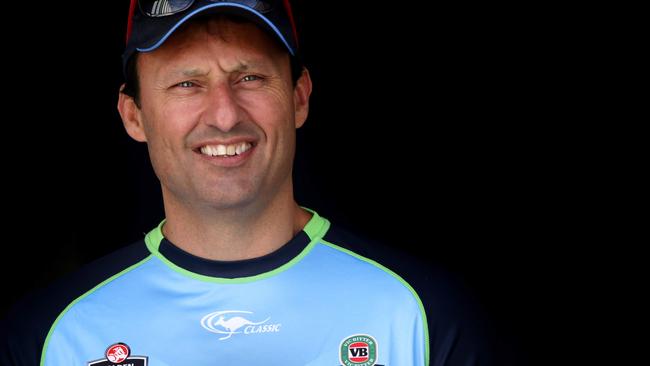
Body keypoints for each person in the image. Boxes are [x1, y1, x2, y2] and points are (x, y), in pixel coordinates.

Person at [0, 1, 497, 365]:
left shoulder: (426, 314)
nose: (223, 114)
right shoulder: (52, 334)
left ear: (299, 98)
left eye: (250, 78)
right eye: (187, 83)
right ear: (135, 115)